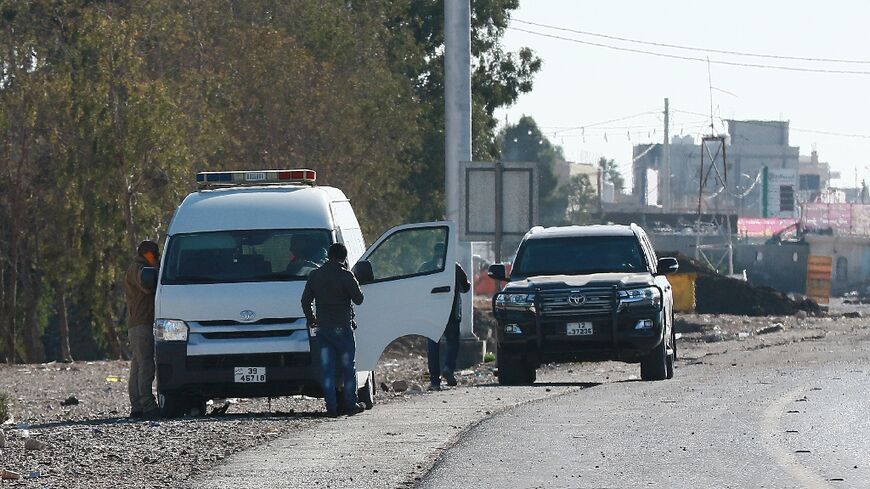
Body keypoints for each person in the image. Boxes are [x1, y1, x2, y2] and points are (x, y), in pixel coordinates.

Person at [301, 243, 365, 417]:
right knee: (347, 367)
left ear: (328, 256)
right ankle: (351, 404)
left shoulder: (315, 275)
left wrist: (311, 319)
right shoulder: (346, 275)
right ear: (344, 257)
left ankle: (331, 407)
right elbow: (359, 299)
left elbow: (305, 301)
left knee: (326, 369)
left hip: (323, 329)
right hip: (343, 327)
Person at [422, 244, 471, 390]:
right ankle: (448, 368)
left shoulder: (426, 267)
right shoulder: (454, 267)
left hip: (431, 314)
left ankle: (435, 382)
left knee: (433, 346)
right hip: (451, 312)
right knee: (452, 342)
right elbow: (466, 287)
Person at [125, 240, 160, 419]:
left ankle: (137, 407)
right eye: (155, 255)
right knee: (146, 365)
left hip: (138, 324)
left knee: (138, 366)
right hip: (142, 324)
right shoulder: (138, 269)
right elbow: (147, 285)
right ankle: (147, 405)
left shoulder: (136, 266)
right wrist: (156, 268)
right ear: (148, 254)